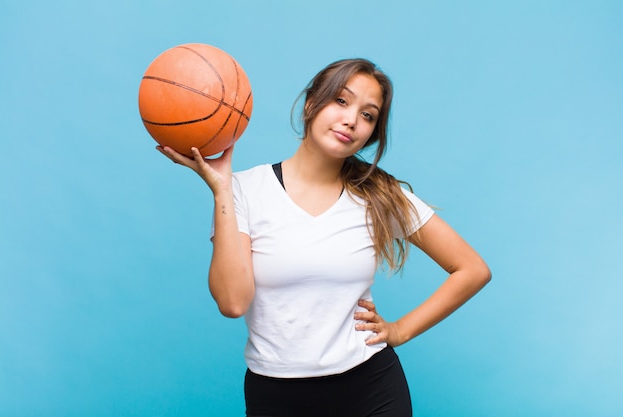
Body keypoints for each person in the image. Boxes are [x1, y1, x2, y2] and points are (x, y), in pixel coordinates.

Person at [157, 58, 491, 417]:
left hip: (372, 388)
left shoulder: (378, 193)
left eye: (368, 115)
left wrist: (399, 331)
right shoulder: (243, 190)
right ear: (310, 105)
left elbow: (472, 269)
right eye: (342, 101)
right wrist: (221, 191)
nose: (352, 120)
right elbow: (232, 303)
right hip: (276, 395)